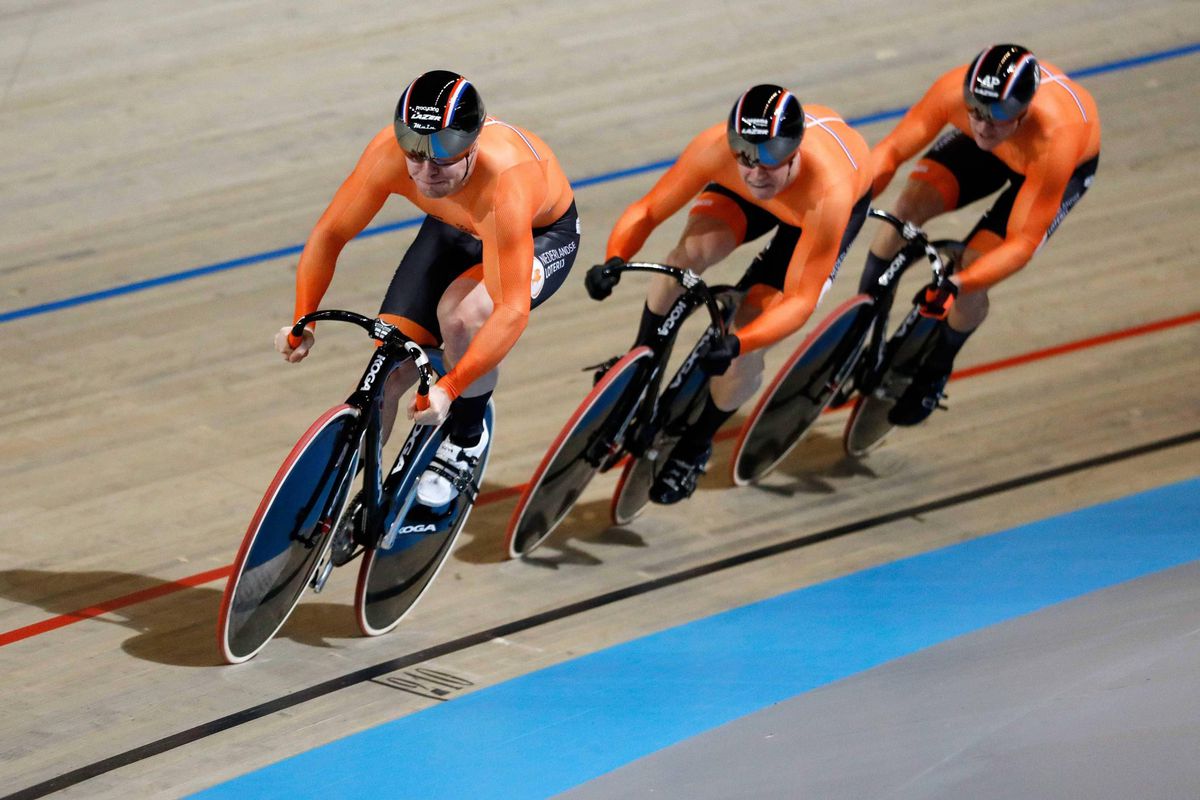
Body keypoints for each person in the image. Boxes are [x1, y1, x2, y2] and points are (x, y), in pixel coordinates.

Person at [275, 69, 579, 509]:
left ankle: (467, 438)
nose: (426, 170)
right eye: (415, 153)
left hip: (539, 233)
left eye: (443, 156)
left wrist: (450, 389)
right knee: (389, 357)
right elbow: (330, 235)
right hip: (454, 225)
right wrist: (303, 317)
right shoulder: (391, 153)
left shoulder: (505, 183)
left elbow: (511, 310)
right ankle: (338, 495)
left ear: (473, 145)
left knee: (462, 317)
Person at [591, 84, 873, 504]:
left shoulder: (828, 192)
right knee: (687, 255)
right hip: (757, 201)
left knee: (749, 334)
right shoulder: (719, 151)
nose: (756, 169)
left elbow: (800, 302)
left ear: (794, 149)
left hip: (813, 212)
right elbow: (648, 210)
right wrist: (615, 257)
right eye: (744, 152)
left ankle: (699, 439)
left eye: (770, 156)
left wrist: (741, 342)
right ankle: (641, 362)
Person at [862, 44, 1100, 425]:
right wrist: (854, 200)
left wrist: (959, 282)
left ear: (1025, 108)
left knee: (976, 271)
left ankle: (935, 370)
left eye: (999, 113)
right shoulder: (956, 93)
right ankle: (863, 319)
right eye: (975, 107)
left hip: (1047, 169)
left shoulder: (1057, 135)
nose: (984, 122)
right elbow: (890, 151)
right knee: (904, 212)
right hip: (987, 152)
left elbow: (1023, 244)